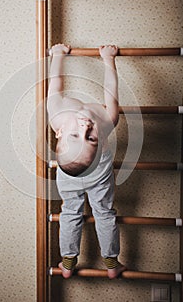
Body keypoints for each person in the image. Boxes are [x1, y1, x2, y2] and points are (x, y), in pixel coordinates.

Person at [47, 43, 126, 279]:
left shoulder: (58, 115)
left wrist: (58, 55)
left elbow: (56, 82)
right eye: (88, 138)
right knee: (103, 212)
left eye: (78, 136)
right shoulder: (106, 121)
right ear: (101, 142)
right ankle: (111, 263)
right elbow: (110, 90)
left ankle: (68, 262)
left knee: (71, 211)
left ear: (59, 133)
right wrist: (108, 60)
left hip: (76, 173)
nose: (85, 128)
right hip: (94, 171)